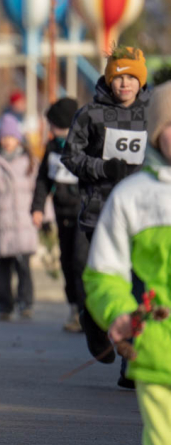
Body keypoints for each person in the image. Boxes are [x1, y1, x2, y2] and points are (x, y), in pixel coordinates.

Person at [83, 81, 171, 445]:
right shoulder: (133, 196)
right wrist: (117, 312)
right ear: (157, 132)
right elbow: (105, 270)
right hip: (156, 353)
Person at [61, 46, 152, 388]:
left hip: (143, 219)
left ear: (141, 81)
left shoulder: (154, 114)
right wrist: (102, 168)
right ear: (109, 79)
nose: (125, 84)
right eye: (118, 78)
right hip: (100, 215)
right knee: (102, 284)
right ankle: (94, 322)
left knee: (139, 291)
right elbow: (70, 156)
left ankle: (131, 366)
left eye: (131, 78)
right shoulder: (91, 114)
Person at [0, 114, 40, 321]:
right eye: (4, 137)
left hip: (24, 223)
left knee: (24, 266)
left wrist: (45, 217)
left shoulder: (29, 161)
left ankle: (26, 303)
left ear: (18, 138)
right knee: (3, 267)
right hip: (2, 223)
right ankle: (4, 306)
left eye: (11, 137)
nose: (7, 141)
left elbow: (39, 192)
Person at [31, 98, 84, 332]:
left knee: (81, 261)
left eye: (53, 124)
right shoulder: (53, 148)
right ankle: (74, 308)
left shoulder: (87, 144)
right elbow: (43, 179)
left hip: (85, 214)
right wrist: (38, 208)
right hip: (63, 214)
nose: (50, 128)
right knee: (67, 262)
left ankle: (86, 312)